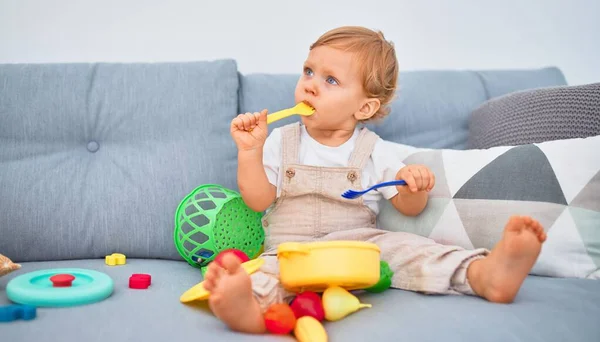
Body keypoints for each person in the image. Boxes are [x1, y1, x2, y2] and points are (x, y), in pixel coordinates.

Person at [203, 26, 547, 334]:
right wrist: (250, 152)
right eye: (308, 71)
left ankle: (483, 275)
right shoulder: (280, 140)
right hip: (291, 251)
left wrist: (414, 185)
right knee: (265, 274)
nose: (310, 84)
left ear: (365, 109)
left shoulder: (372, 150)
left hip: (359, 248)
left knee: (412, 250)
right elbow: (258, 201)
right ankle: (246, 309)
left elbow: (409, 208)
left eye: (330, 80)